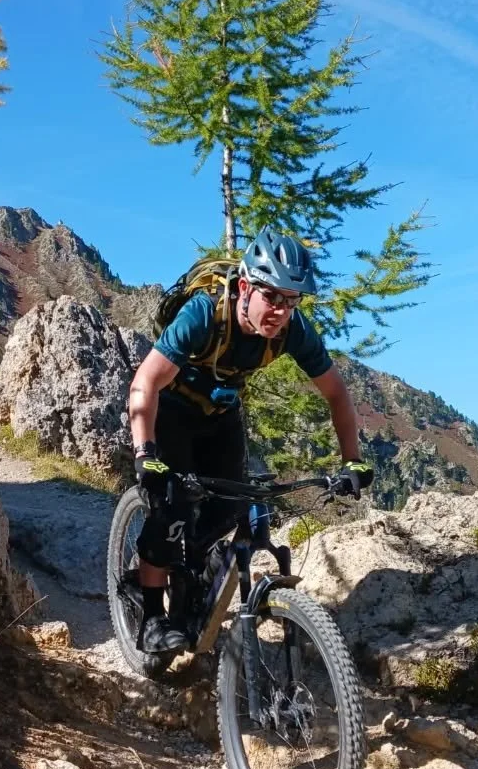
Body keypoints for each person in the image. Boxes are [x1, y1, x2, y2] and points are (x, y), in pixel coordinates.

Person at [127, 225, 373, 653]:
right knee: (173, 509)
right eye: (271, 296)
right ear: (245, 287)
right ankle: (150, 613)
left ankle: (192, 570)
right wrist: (144, 453)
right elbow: (145, 382)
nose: (280, 310)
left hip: (221, 415)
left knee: (229, 510)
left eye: (291, 301)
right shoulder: (203, 316)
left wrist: (351, 460)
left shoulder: (293, 331)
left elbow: (336, 393)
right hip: (172, 412)